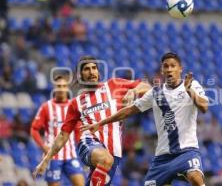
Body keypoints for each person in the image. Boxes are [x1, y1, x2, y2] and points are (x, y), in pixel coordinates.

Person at [81, 52, 209, 186]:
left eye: (173, 66)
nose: (169, 69)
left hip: (187, 151)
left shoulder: (191, 85)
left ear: (180, 68)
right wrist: (101, 122)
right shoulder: (155, 92)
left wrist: (189, 90)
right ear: (162, 70)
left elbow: (204, 107)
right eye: (166, 66)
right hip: (162, 157)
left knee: (196, 178)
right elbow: (128, 111)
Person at [33, 56, 151, 186]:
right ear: (80, 75)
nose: (91, 72)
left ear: (98, 72)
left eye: (94, 68)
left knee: (102, 171)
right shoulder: (76, 103)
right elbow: (62, 135)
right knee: (105, 159)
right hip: (89, 143)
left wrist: (134, 91)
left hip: (114, 152)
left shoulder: (114, 85)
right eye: (87, 69)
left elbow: (147, 86)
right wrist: (46, 159)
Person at [31, 75, 85, 186]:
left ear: (67, 88)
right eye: (58, 86)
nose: (61, 88)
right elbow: (34, 129)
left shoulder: (73, 107)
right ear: (54, 88)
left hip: (71, 155)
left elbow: (78, 131)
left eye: (64, 86)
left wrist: (83, 148)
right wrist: (43, 146)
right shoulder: (46, 107)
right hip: (52, 157)